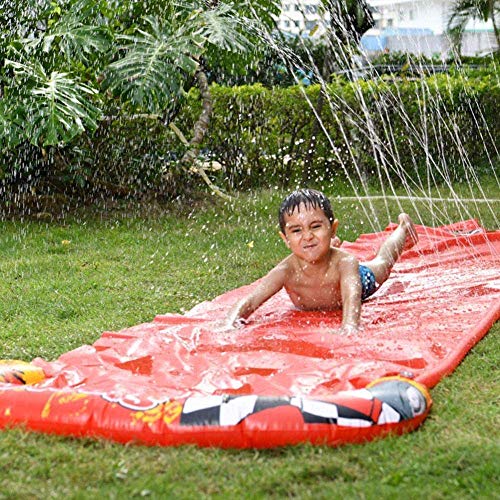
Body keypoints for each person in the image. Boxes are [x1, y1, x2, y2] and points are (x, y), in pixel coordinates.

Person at [223, 189, 418, 335]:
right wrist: (231, 322)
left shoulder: (346, 263)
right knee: (319, 247)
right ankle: (329, 244)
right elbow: (250, 301)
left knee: (383, 262)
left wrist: (349, 326)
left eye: (315, 226)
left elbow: (351, 299)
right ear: (285, 238)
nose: (307, 236)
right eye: (296, 230)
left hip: (361, 279)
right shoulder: (285, 271)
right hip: (330, 257)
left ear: (333, 227)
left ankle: (403, 229)